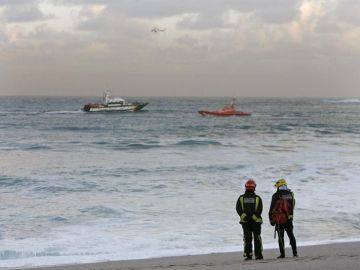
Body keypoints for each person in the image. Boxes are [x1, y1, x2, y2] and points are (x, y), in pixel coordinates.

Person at [269, 178, 298, 258]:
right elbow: (293, 206)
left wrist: (271, 220)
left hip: (279, 219)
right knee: (291, 235)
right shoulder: (291, 194)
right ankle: (295, 253)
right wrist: (290, 216)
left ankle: (282, 254)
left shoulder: (276, 195)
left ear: (279, 186)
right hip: (289, 218)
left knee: (281, 237)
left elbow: (271, 208)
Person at [236, 179, 263, 260]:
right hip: (256, 222)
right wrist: (253, 217)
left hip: (245, 222)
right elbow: (259, 210)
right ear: (254, 187)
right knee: (257, 238)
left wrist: (245, 217)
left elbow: (238, 209)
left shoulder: (241, 198)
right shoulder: (258, 198)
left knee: (247, 238)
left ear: (246, 187)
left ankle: (248, 255)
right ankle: (258, 255)